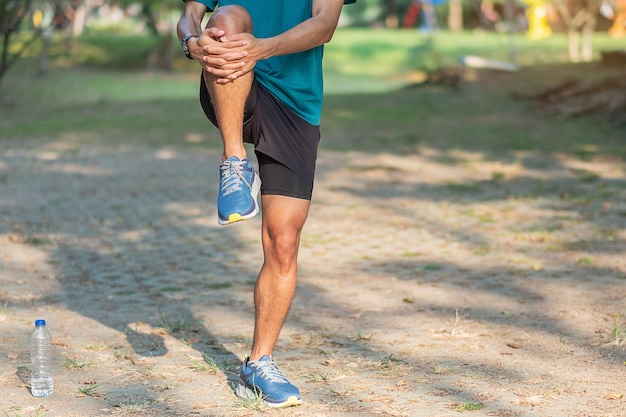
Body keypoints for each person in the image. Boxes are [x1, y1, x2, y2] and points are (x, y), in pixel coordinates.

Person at [177, 0, 355, 408]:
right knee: (227, 19)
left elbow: (324, 24)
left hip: (296, 102)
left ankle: (258, 363)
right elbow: (189, 15)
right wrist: (192, 42)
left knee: (284, 240)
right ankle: (233, 160)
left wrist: (264, 47)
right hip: (235, 82)